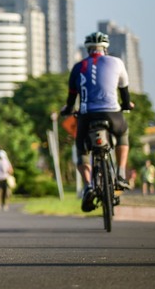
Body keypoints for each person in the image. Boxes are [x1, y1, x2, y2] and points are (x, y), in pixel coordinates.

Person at [61, 31, 133, 213]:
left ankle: (88, 186)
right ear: (105, 48)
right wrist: (127, 105)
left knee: (81, 149)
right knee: (123, 133)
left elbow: (71, 99)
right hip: (112, 114)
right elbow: (124, 93)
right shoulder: (117, 62)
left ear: (88, 49)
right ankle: (121, 172)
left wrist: (68, 110)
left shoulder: (78, 67)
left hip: (87, 115)